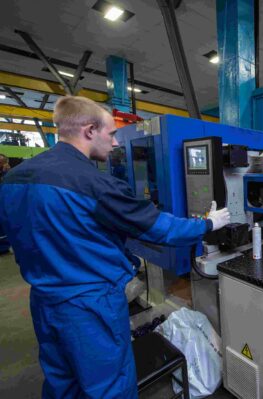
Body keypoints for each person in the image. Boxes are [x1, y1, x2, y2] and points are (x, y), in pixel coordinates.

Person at [0, 96, 230, 398]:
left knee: (61, 382)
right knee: (109, 386)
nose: (114, 144)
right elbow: (160, 228)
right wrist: (209, 224)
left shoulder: (14, 179)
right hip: (91, 306)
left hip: (45, 302)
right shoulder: (92, 183)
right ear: (89, 130)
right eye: (110, 134)